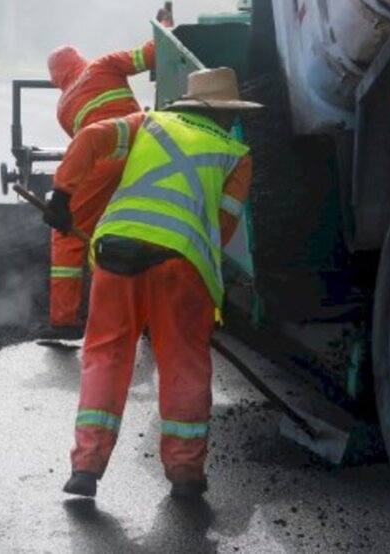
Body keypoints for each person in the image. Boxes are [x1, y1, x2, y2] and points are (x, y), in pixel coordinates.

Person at [44, 67, 261, 500]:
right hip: (180, 263)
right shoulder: (237, 154)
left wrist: (62, 195)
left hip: (115, 250)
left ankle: (86, 467)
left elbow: (89, 139)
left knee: (105, 355)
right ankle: (185, 473)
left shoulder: (147, 123)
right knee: (183, 362)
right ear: (225, 113)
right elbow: (223, 227)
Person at [39, 40, 155, 340]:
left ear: (56, 78)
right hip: (146, 150)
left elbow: (83, 147)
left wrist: (63, 198)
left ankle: (63, 320)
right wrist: (166, 29)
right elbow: (151, 54)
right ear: (80, 58)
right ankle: (152, 317)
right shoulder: (104, 64)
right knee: (146, 229)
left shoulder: (63, 106)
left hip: (102, 160)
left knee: (68, 236)